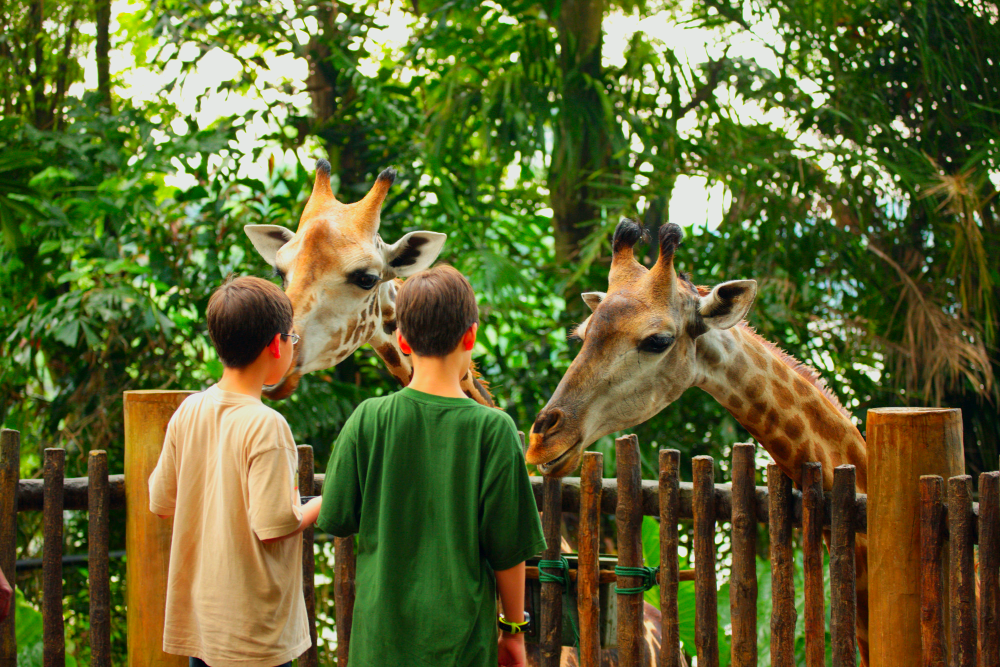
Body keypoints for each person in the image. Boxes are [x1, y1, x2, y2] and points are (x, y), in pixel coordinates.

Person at [318, 265, 546, 667]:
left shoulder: (367, 419)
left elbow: (336, 515)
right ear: (470, 335)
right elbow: (509, 553)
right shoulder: (493, 430)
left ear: (402, 340)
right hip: (460, 650)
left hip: (377, 648)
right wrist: (512, 633)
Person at [149, 276, 322, 667]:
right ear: (275, 345)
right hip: (255, 634)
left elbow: (161, 503)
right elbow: (274, 524)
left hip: (204, 625)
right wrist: (320, 504)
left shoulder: (189, 410)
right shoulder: (266, 425)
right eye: (292, 338)